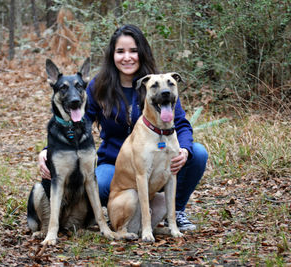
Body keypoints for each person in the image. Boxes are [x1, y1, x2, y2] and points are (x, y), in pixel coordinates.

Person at [38, 24, 208, 231]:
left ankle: (176, 211)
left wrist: (185, 149)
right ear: (112, 55)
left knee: (197, 154)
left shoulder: (158, 83)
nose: (127, 57)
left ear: (142, 53)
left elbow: (180, 122)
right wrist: (49, 149)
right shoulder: (99, 86)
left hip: (157, 158)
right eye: (120, 52)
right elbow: (79, 121)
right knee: (97, 185)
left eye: (133, 51)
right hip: (116, 164)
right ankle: (122, 212)